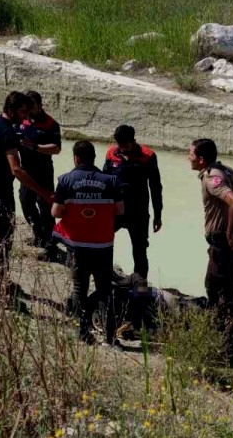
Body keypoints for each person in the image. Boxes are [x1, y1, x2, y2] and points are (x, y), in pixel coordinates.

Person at [0, 92, 55, 301]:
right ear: (11, 110)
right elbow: (17, 170)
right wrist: (44, 192)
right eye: (22, 111)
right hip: (0, 194)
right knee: (4, 240)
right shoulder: (8, 134)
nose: (25, 115)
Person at [188, 138, 233, 356]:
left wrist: (230, 228)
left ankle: (232, 347)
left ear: (201, 159)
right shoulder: (224, 170)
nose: (187, 157)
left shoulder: (212, 178)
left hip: (223, 241)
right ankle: (218, 333)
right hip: (221, 243)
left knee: (224, 293)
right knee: (212, 286)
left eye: (190, 154)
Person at [52, 140, 124, 345]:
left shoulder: (65, 180)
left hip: (77, 246)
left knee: (79, 289)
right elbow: (120, 211)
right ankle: (110, 339)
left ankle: (83, 333)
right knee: (104, 290)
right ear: (94, 157)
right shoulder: (111, 181)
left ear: (76, 158)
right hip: (103, 245)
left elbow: (56, 212)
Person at [103, 125, 163, 280]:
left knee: (140, 250)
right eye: (120, 146)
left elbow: (155, 187)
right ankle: (105, 276)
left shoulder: (148, 156)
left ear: (134, 141)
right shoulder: (111, 153)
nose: (123, 150)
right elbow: (104, 181)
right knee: (103, 242)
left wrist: (158, 214)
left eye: (126, 146)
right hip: (114, 210)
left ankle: (140, 288)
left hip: (138, 213)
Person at [16, 91, 63, 262]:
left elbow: (56, 149)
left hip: (43, 170)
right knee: (26, 203)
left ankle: (50, 245)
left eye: (32, 106)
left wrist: (35, 147)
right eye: (27, 106)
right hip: (25, 171)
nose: (29, 109)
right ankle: (39, 234)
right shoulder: (22, 119)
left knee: (46, 207)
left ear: (40, 105)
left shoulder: (51, 124)